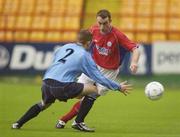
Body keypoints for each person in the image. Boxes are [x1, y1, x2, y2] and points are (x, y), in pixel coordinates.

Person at [11, 29, 132, 129]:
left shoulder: (65, 46)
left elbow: (55, 61)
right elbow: (99, 77)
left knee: (43, 104)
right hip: (62, 86)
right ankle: (79, 122)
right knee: (95, 90)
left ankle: (18, 123)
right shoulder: (84, 55)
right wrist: (118, 87)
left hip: (47, 82)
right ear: (89, 42)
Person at [56, 9, 140, 132]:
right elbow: (83, 41)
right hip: (92, 65)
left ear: (110, 21)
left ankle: (78, 122)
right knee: (79, 95)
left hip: (109, 70)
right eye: (99, 23)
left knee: (93, 94)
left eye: (105, 23)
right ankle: (63, 118)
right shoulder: (94, 30)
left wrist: (134, 62)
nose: (102, 26)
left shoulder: (118, 35)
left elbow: (135, 49)